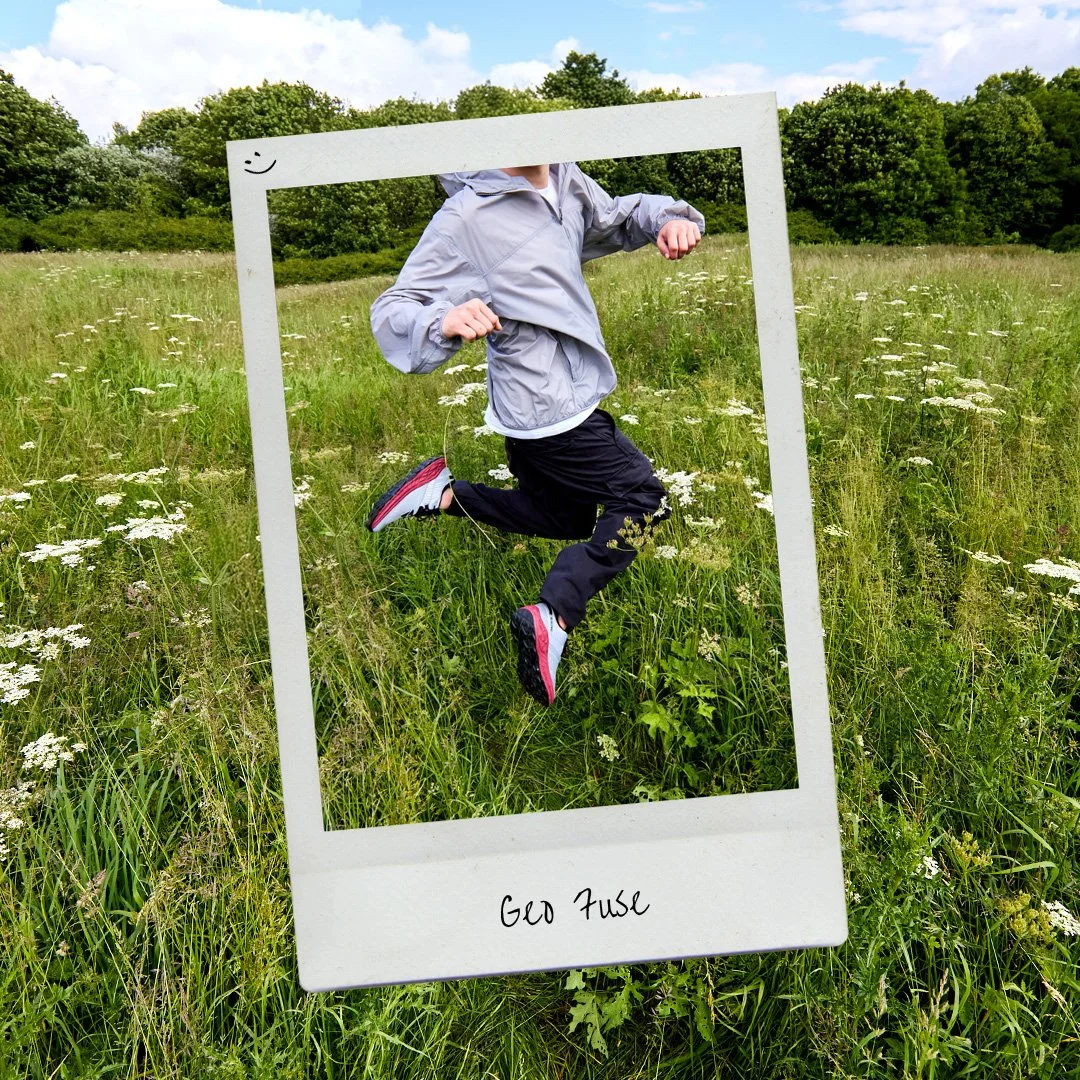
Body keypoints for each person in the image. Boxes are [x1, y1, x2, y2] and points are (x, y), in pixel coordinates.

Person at [367, 161, 703, 705]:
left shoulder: (565, 179)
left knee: (565, 516)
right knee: (644, 499)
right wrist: (442, 321)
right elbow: (395, 307)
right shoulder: (468, 215)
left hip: (539, 406)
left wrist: (667, 218)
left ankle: (444, 494)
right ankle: (556, 614)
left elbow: (615, 216)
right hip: (549, 405)